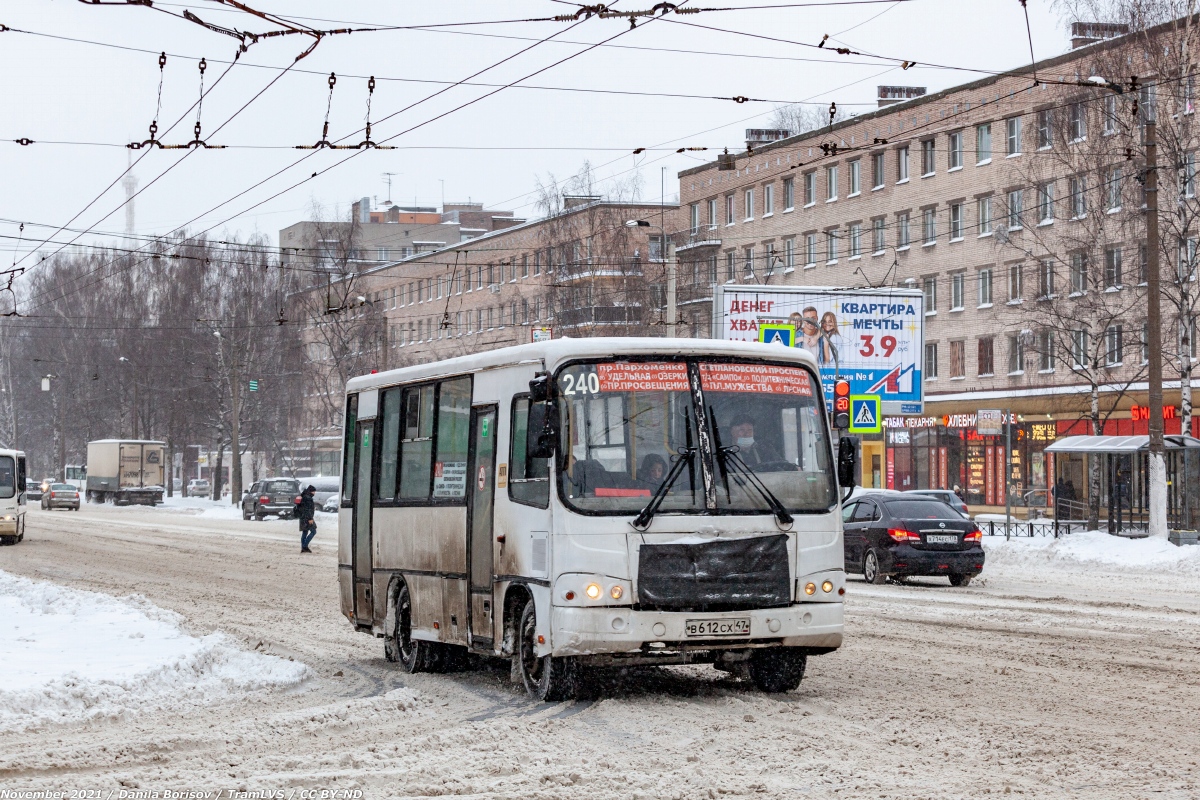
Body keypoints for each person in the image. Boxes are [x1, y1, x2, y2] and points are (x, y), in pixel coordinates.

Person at [296, 484, 317, 553]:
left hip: (302, 517)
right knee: (313, 531)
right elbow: (307, 509)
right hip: (307, 518)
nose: (314, 493)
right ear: (311, 491)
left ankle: (303, 548)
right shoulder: (308, 498)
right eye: (314, 491)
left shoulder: (304, 496)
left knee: (305, 532)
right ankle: (305, 546)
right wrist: (310, 518)